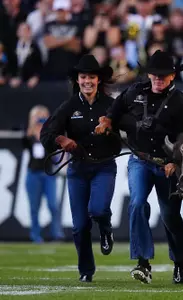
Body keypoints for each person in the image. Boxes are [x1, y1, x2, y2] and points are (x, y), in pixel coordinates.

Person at [95, 50, 183, 285]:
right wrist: (107, 120)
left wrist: (176, 162)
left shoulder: (182, 103)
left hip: (167, 165)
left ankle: (180, 260)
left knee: (170, 215)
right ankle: (143, 262)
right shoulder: (135, 92)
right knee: (137, 202)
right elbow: (115, 109)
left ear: (172, 77)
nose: (158, 79)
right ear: (149, 75)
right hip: (139, 160)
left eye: (164, 76)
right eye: (155, 75)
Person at [40, 54, 122, 282]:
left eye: (92, 77)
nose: (87, 81)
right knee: (79, 226)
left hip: (104, 166)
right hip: (78, 169)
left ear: (99, 80)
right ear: (77, 80)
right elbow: (46, 133)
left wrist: (112, 131)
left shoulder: (110, 106)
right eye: (83, 77)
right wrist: (61, 141)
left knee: (98, 210)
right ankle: (86, 271)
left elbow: (128, 131)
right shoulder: (69, 106)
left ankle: (105, 227)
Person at [23, 105, 64, 244]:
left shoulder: (49, 134)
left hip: (48, 174)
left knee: (53, 205)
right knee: (34, 207)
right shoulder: (29, 134)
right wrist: (32, 125)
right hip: (33, 174)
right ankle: (35, 235)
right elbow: (25, 142)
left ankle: (57, 234)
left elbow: (55, 147)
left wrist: (48, 127)